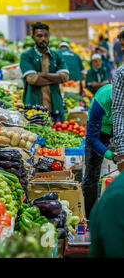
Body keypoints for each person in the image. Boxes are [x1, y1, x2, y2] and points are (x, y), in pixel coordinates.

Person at [88, 30, 124, 258]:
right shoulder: (101, 103)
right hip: (100, 134)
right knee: (91, 174)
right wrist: (114, 154)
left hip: (116, 134)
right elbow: (91, 139)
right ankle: (90, 212)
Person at [19, 22, 69, 123]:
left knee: (58, 135)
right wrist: (55, 79)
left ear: (49, 36)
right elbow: (33, 79)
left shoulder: (56, 55)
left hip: (56, 105)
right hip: (34, 108)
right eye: (39, 36)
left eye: (46, 35)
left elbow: (65, 77)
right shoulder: (26, 56)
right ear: (33, 37)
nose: (43, 39)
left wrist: (44, 75)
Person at [82, 84, 117, 219]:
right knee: (92, 175)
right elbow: (91, 139)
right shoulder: (101, 100)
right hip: (100, 130)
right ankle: (91, 217)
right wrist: (112, 156)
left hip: (118, 128)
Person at [112, 30, 124, 172]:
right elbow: (119, 111)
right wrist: (121, 151)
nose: (122, 49)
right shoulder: (121, 73)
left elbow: (118, 111)